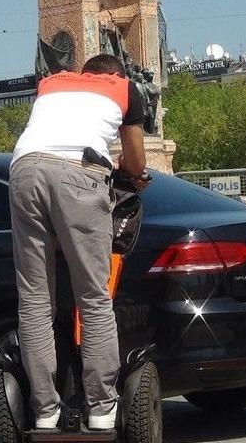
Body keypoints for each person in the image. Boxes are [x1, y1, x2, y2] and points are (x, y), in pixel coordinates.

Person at [9, 54, 149, 431]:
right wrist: (126, 170)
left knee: (36, 299)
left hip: (24, 170)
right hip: (80, 174)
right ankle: (102, 409)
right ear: (116, 75)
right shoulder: (125, 89)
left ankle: (44, 411)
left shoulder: (51, 83)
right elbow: (136, 163)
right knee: (93, 297)